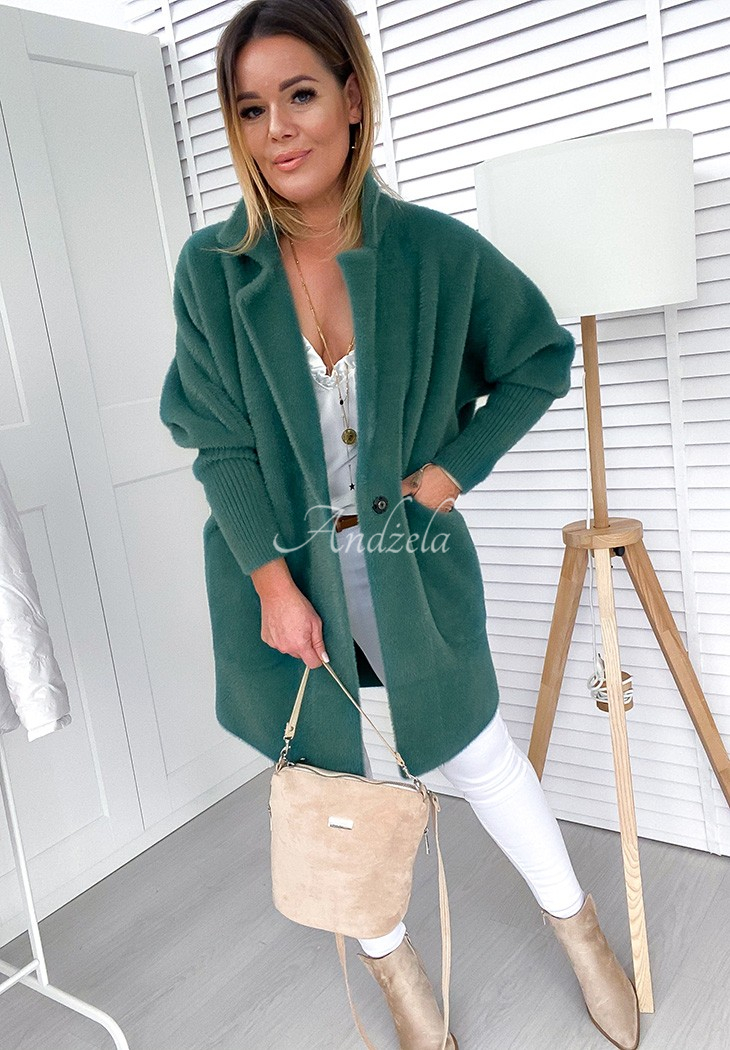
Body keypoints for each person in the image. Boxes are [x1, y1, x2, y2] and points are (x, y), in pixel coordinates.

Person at [159, 2, 640, 1048]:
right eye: (251, 108)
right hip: (283, 577)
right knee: (341, 780)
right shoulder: (213, 268)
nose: (278, 129)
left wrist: (454, 468)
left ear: (351, 97)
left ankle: (579, 930)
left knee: (477, 755)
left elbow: (537, 359)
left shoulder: (434, 253)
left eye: (299, 94)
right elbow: (219, 441)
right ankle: (397, 973)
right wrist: (271, 587)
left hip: (411, 566)